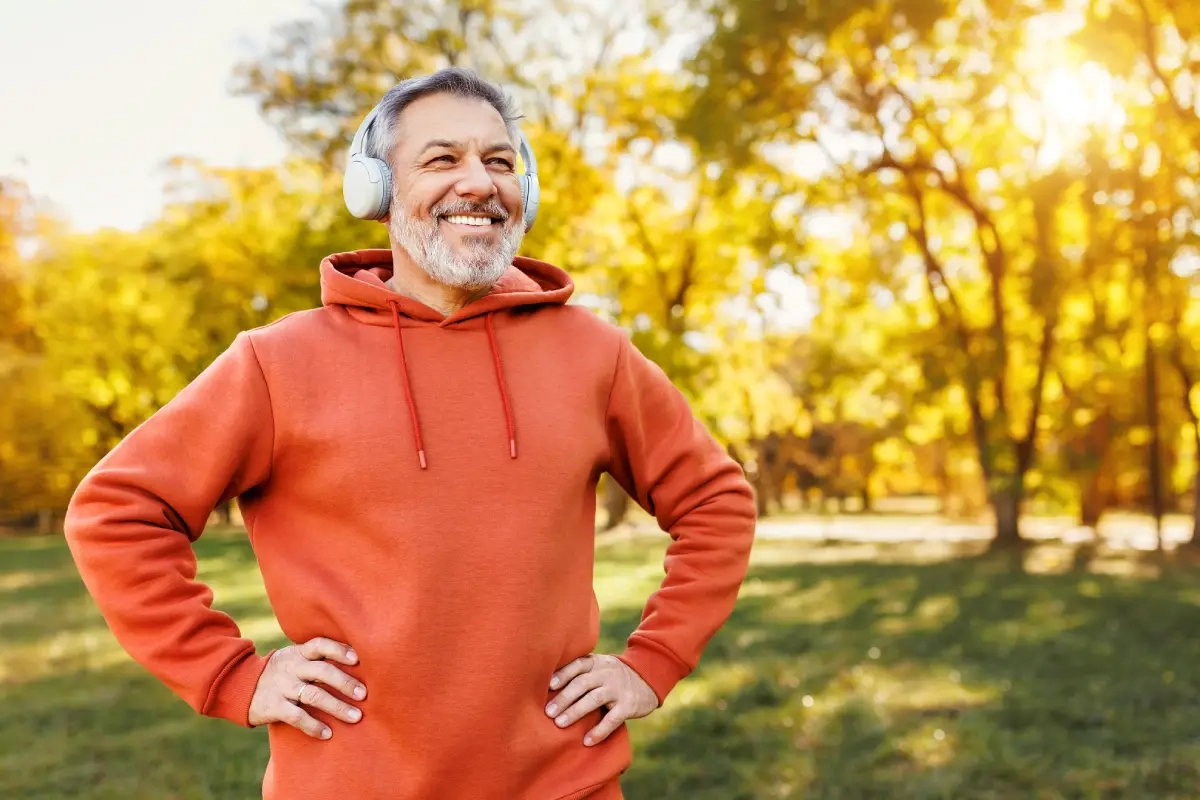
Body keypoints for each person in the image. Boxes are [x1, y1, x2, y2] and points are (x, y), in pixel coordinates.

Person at [63, 67, 757, 800]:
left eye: (499, 160)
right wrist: (232, 673)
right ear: (377, 190)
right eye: (441, 159)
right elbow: (116, 513)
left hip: (567, 786)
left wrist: (654, 661)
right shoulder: (275, 362)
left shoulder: (596, 354)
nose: (480, 183)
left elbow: (716, 501)